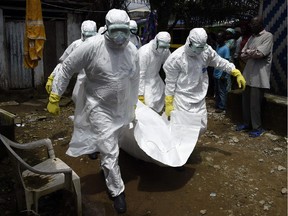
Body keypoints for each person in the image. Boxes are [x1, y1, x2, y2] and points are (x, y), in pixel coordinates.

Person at [47, 9, 139, 213]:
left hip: (121, 107)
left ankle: (107, 168)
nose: (121, 35)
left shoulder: (131, 50)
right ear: (106, 28)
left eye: (125, 30)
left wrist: (134, 103)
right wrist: (55, 95)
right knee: (110, 149)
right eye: (116, 30)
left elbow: (135, 77)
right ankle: (117, 191)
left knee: (114, 144)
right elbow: (66, 67)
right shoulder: (91, 47)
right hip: (99, 108)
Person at [163, 28, 246, 134]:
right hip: (182, 98)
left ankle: (188, 146)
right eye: (197, 47)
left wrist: (234, 71)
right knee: (182, 128)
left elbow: (219, 62)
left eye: (201, 47)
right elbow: (170, 82)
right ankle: (180, 149)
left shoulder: (206, 51)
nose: (199, 51)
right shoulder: (175, 59)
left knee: (201, 127)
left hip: (199, 96)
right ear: (189, 42)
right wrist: (169, 102)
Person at [236, 16, 273, 138]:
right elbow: (242, 54)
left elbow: (261, 54)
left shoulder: (268, 36)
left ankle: (257, 127)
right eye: (251, 24)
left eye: (253, 24)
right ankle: (246, 124)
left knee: (255, 105)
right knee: (245, 102)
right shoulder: (252, 37)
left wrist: (249, 52)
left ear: (260, 24)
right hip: (248, 74)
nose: (251, 26)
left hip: (259, 76)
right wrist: (251, 52)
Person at [138, 31, 171, 113]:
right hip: (144, 83)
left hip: (156, 80)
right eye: (161, 46)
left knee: (159, 106)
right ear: (156, 41)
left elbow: (170, 64)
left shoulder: (165, 50)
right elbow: (140, 75)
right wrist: (140, 94)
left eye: (165, 47)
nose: (162, 49)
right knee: (148, 106)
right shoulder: (144, 52)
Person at [213, 30, 231, 113]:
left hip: (221, 74)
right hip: (216, 73)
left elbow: (226, 62)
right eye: (217, 37)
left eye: (219, 38)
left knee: (222, 91)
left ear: (223, 39)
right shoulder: (218, 46)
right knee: (217, 90)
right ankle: (218, 104)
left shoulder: (225, 49)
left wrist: (224, 75)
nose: (217, 39)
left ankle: (222, 106)